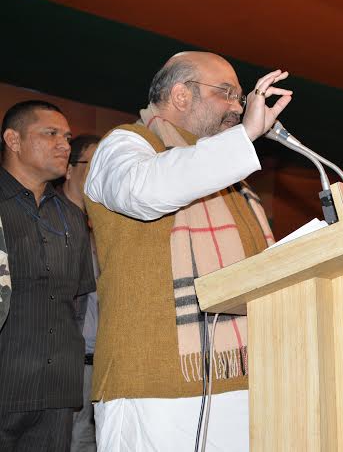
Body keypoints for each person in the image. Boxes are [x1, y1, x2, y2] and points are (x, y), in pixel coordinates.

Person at [84, 52, 291, 450]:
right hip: (155, 390)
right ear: (181, 94)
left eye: (240, 96)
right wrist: (243, 137)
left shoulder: (229, 177)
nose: (239, 107)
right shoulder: (125, 145)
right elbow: (145, 191)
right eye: (227, 94)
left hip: (246, 383)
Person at [0, 100, 96, 451]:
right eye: (50, 133)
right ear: (13, 140)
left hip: (57, 389)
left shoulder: (72, 217)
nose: (64, 145)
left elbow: (80, 299)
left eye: (68, 137)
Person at [60, 135, 101, 452]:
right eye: (92, 163)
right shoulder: (48, 223)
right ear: (69, 170)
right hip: (58, 362)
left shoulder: (99, 231)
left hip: (96, 364)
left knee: (87, 440)